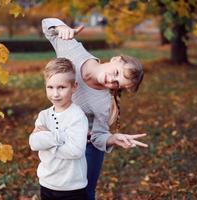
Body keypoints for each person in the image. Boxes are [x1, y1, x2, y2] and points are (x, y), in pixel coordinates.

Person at [42, 18, 149, 200]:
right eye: (116, 73)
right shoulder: (74, 52)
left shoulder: (103, 102)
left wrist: (113, 138)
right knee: (56, 187)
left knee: (84, 193)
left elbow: (99, 136)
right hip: (61, 140)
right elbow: (47, 26)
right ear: (115, 59)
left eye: (117, 84)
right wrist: (61, 27)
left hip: (88, 148)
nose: (111, 81)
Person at [29, 58, 89, 200]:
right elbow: (34, 143)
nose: (55, 94)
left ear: (74, 87)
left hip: (72, 187)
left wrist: (48, 139)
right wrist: (60, 138)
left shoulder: (77, 117)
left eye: (61, 87)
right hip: (47, 183)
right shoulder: (44, 115)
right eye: (50, 87)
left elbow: (75, 151)